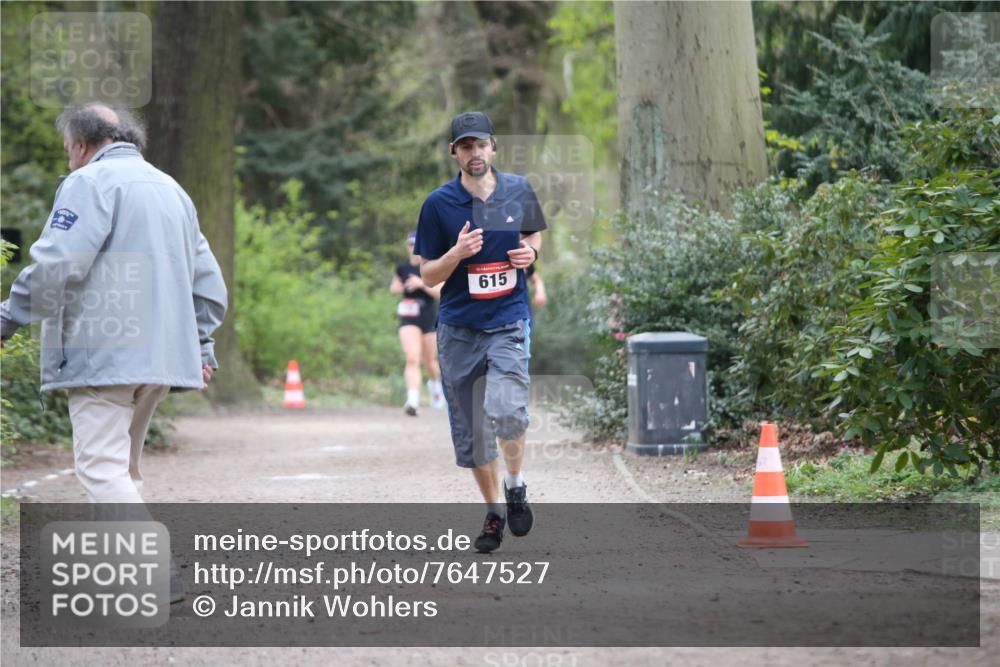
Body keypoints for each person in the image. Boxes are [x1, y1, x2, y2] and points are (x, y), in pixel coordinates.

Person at [0, 103, 227, 509]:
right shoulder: (173, 190)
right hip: (160, 357)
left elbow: (57, 266)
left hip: (102, 352)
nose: (70, 159)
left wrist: (7, 318)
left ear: (82, 145)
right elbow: (208, 283)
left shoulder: (88, 182)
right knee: (123, 470)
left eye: (69, 149)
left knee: (102, 471)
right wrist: (203, 345)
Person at [415, 111, 547, 553]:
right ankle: (493, 514)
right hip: (458, 330)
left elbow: (534, 237)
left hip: (508, 321)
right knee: (473, 433)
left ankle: (515, 485)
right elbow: (429, 275)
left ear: (493, 147)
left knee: (507, 409)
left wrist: (528, 253)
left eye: (481, 145)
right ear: (454, 152)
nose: (475, 153)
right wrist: (455, 253)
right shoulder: (438, 204)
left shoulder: (518, 190)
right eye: (466, 146)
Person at [390, 231, 445, 415]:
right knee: (412, 357)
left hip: (429, 315)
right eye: (410, 244)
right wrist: (400, 286)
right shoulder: (402, 267)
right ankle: (412, 401)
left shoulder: (430, 266)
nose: (413, 248)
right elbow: (394, 287)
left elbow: (440, 293)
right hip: (408, 316)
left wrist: (421, 284)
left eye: (416, 244)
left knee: (430, 361)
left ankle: (436, 387)